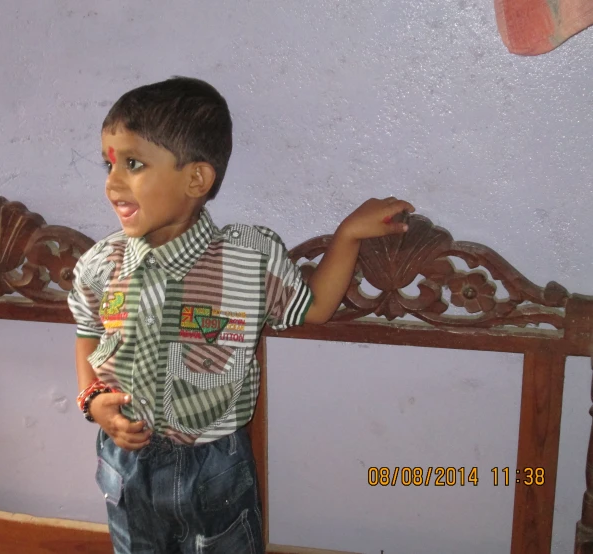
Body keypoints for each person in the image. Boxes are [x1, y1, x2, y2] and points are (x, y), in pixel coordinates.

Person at [68, 76, 414, 554]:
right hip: (126, 463)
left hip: (214, 466)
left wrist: (348, 236)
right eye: (108, 164)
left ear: (196, 179)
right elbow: (87, 333)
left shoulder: (246, 258)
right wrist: (92, 400)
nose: (112, 183)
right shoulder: (100, 264)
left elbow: (312, 307)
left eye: (133, 163)